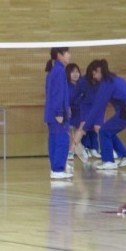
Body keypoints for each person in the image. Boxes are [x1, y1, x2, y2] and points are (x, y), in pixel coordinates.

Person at [74, 59, 126, 170]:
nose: (94, 77)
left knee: (103, 131)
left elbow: (96, 107)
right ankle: (125, 155)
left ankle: (108, 161)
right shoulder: (116, 79)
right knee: (108, 131)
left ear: (98, 71)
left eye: (94, 74)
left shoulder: (107, 84)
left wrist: (83, 130)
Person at [44, 47, 73, 179]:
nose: (69, 55)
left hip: (51, 112)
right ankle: (57, 169)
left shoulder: (53, 71)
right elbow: (57, 93)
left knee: (54, 139)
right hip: (57, 113)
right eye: (66, 53)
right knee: (62, 140)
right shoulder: (59, 71)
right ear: (59, 55)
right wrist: (59, 112)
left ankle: (55, 169)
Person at [66, 63, 89, 164]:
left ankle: (73, 150)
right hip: (71, 112)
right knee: (70, 128)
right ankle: (77, 149)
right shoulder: (66, 86)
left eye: (77, 72)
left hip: (82, 112)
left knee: (80, 129)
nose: (75, 74)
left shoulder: (83, 85)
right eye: (72, 72)